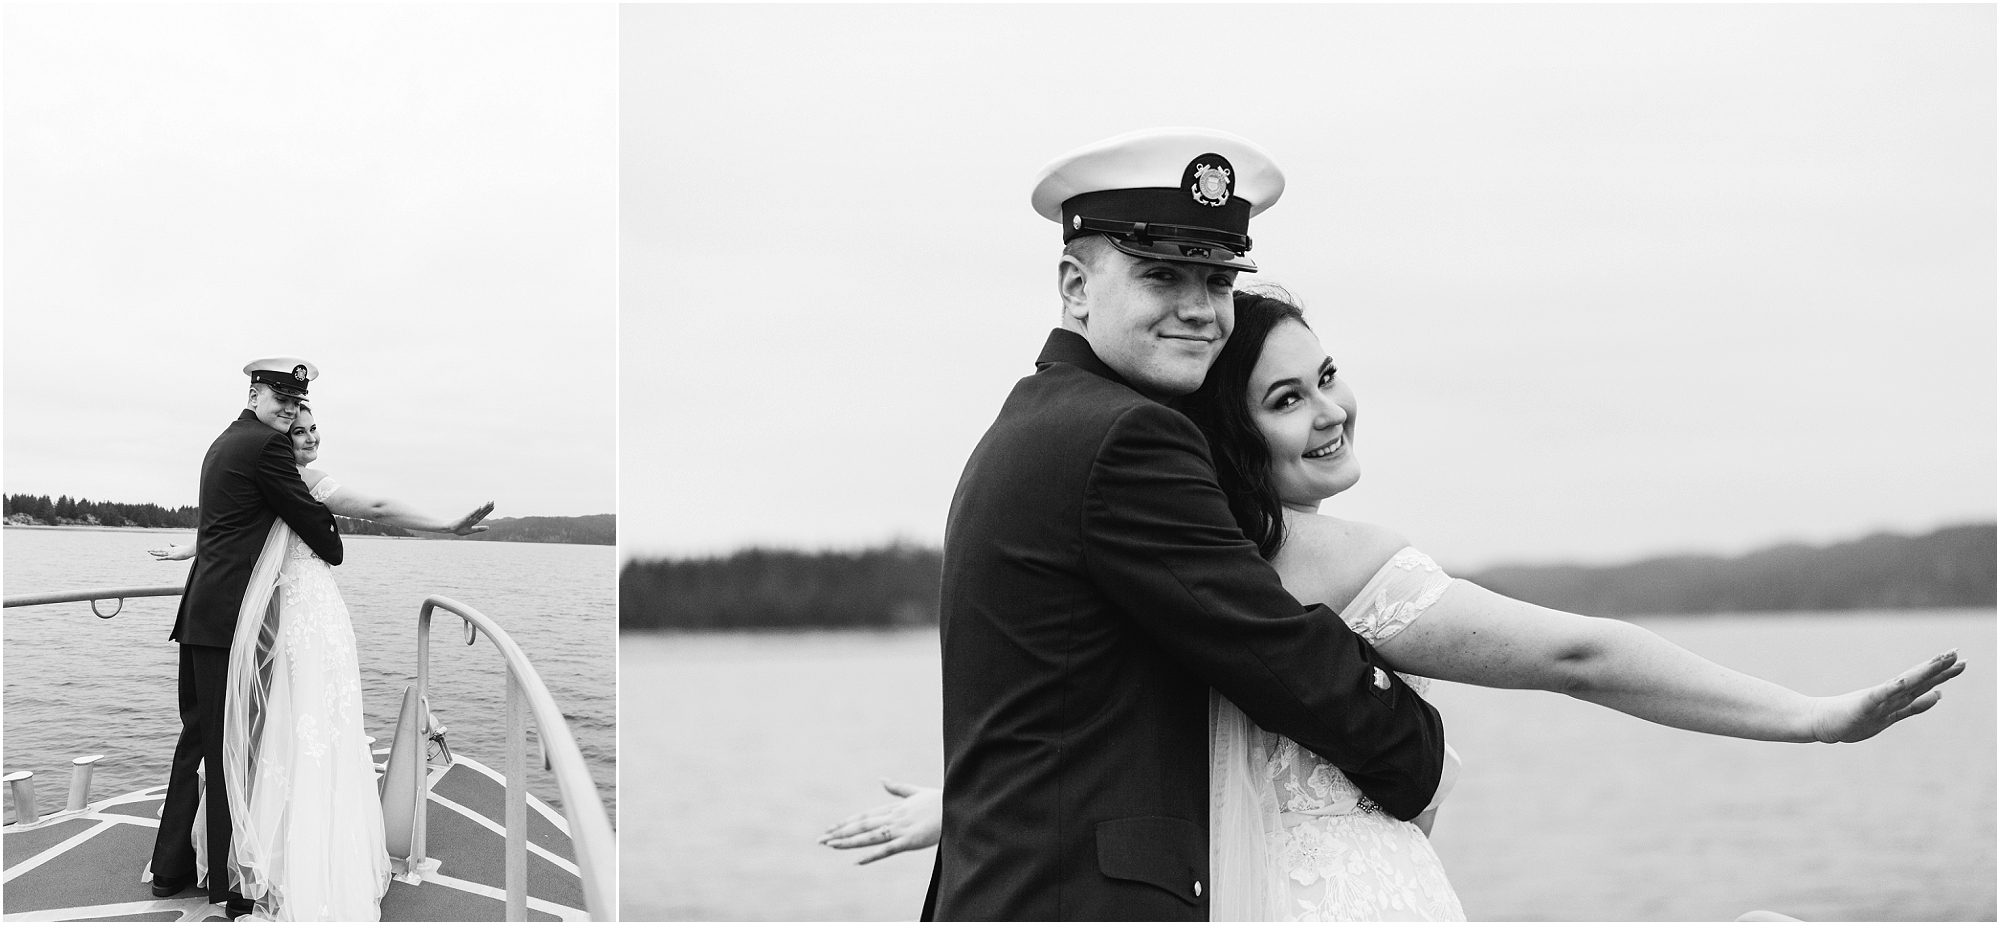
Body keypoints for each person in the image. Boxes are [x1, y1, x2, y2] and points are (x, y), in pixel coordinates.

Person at [823, 290, 1967, 921]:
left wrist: (960, 798)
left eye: (1325, 374)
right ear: (1228, 434)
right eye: (1284, 398)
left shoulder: (1158, 570)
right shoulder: (1328, 561)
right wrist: (1807, 717)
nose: (1330, 410)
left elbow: (1088, 711)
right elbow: (1575, 653)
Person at [923, 128, 1450, 922]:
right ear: (1075, 285)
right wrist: (1419, 742)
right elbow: (1276, 653)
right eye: (1162, 274)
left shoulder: (1034, 423)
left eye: (1217, 279)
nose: (1200, 309)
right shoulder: (1126, 436)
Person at [150, 368, 493, 921]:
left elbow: (245, 520)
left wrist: (195, 551)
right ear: (259, 403)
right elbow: (370, 511)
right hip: (265, 623)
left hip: (261, 620)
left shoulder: (237, 447)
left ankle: (189, 865)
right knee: (242, 742)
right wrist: (444, 526)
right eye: (294, 420)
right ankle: (231, 877)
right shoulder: (274, 461)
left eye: (311, 423)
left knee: (238, 739)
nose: (303, 432)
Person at [150, 358, 348, 919]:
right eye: (279, 395)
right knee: (227, 747)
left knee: (198, 741)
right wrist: (331, 536)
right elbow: (311, 524)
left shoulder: (224, 441)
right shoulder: (266, 447)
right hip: (230, 616)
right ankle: (227, 887)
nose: (288, 407)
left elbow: (233, 522)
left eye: (295, 399)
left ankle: (170, 868)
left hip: (201, 612)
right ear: (255, 392)